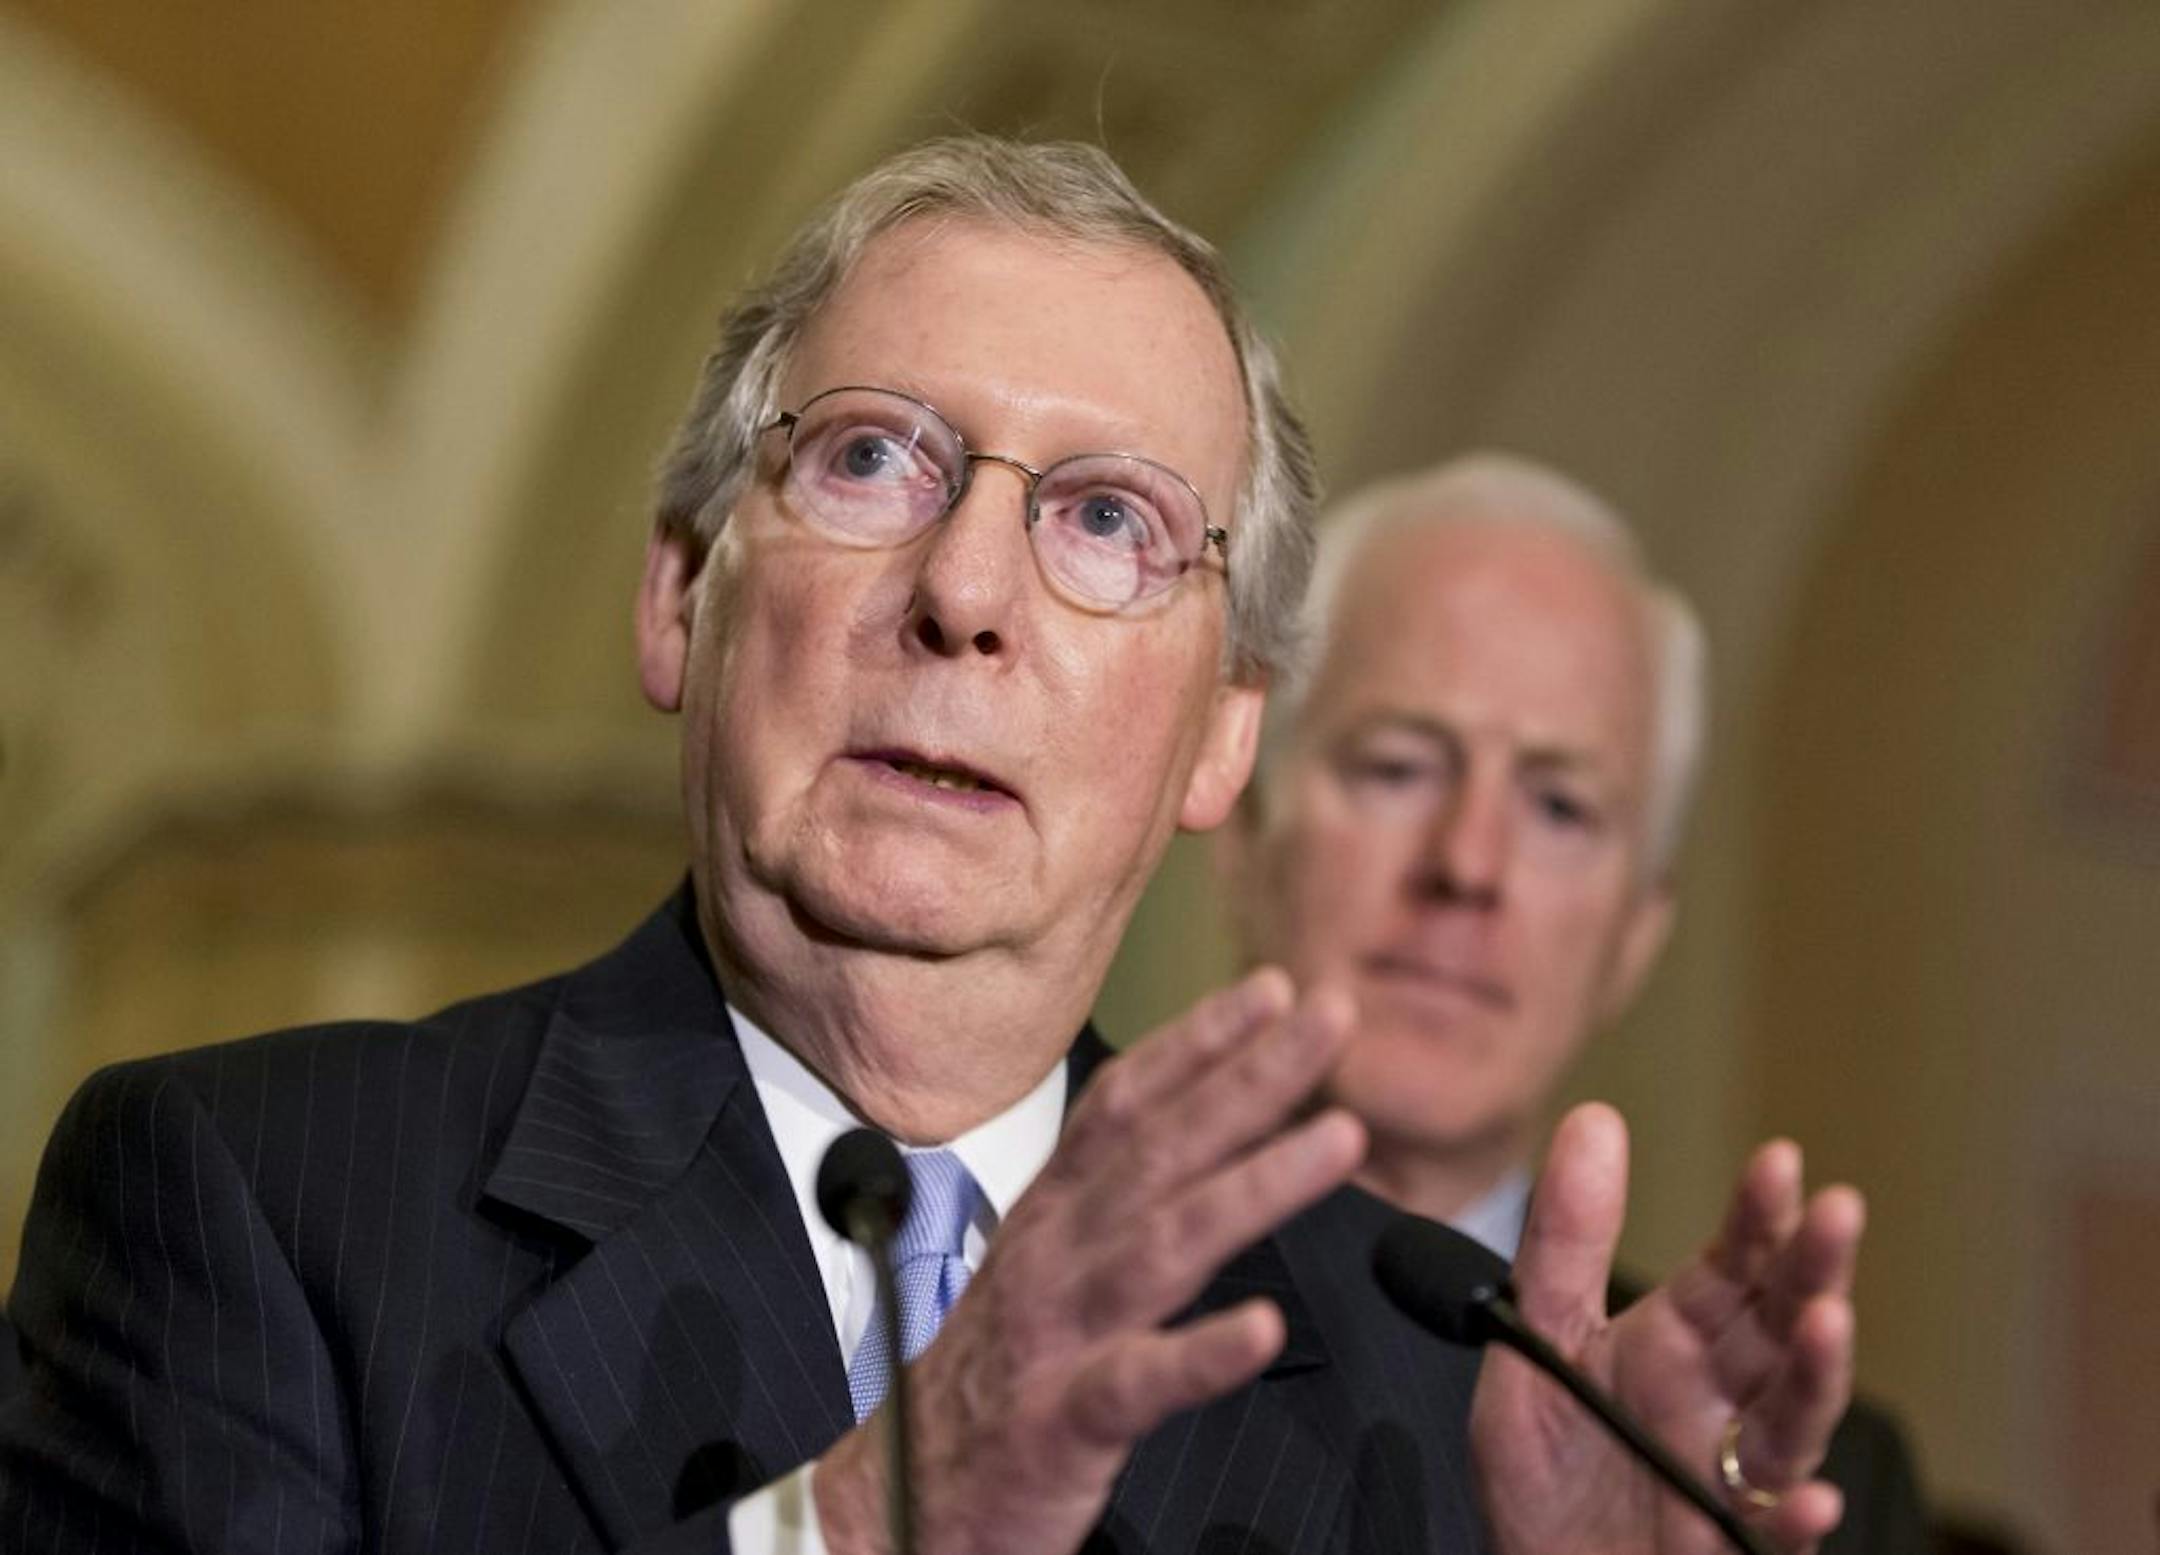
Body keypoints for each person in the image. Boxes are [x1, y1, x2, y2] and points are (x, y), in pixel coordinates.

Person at [0, 139, 1863, 1555]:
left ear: (1225, 736)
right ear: (678, 600)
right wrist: (863, 1522)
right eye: (873, 459)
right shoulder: (255, 1207)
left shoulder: (1434, 1398)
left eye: (1112, 520)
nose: (967, 593)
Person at [1217, 452, 1929, 1552]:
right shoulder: (1018, 1279)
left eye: (1559, 805)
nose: (1469, 863)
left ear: (1636, 935)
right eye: (1399, 765)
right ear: (1249, 834)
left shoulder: (1788, 1477)